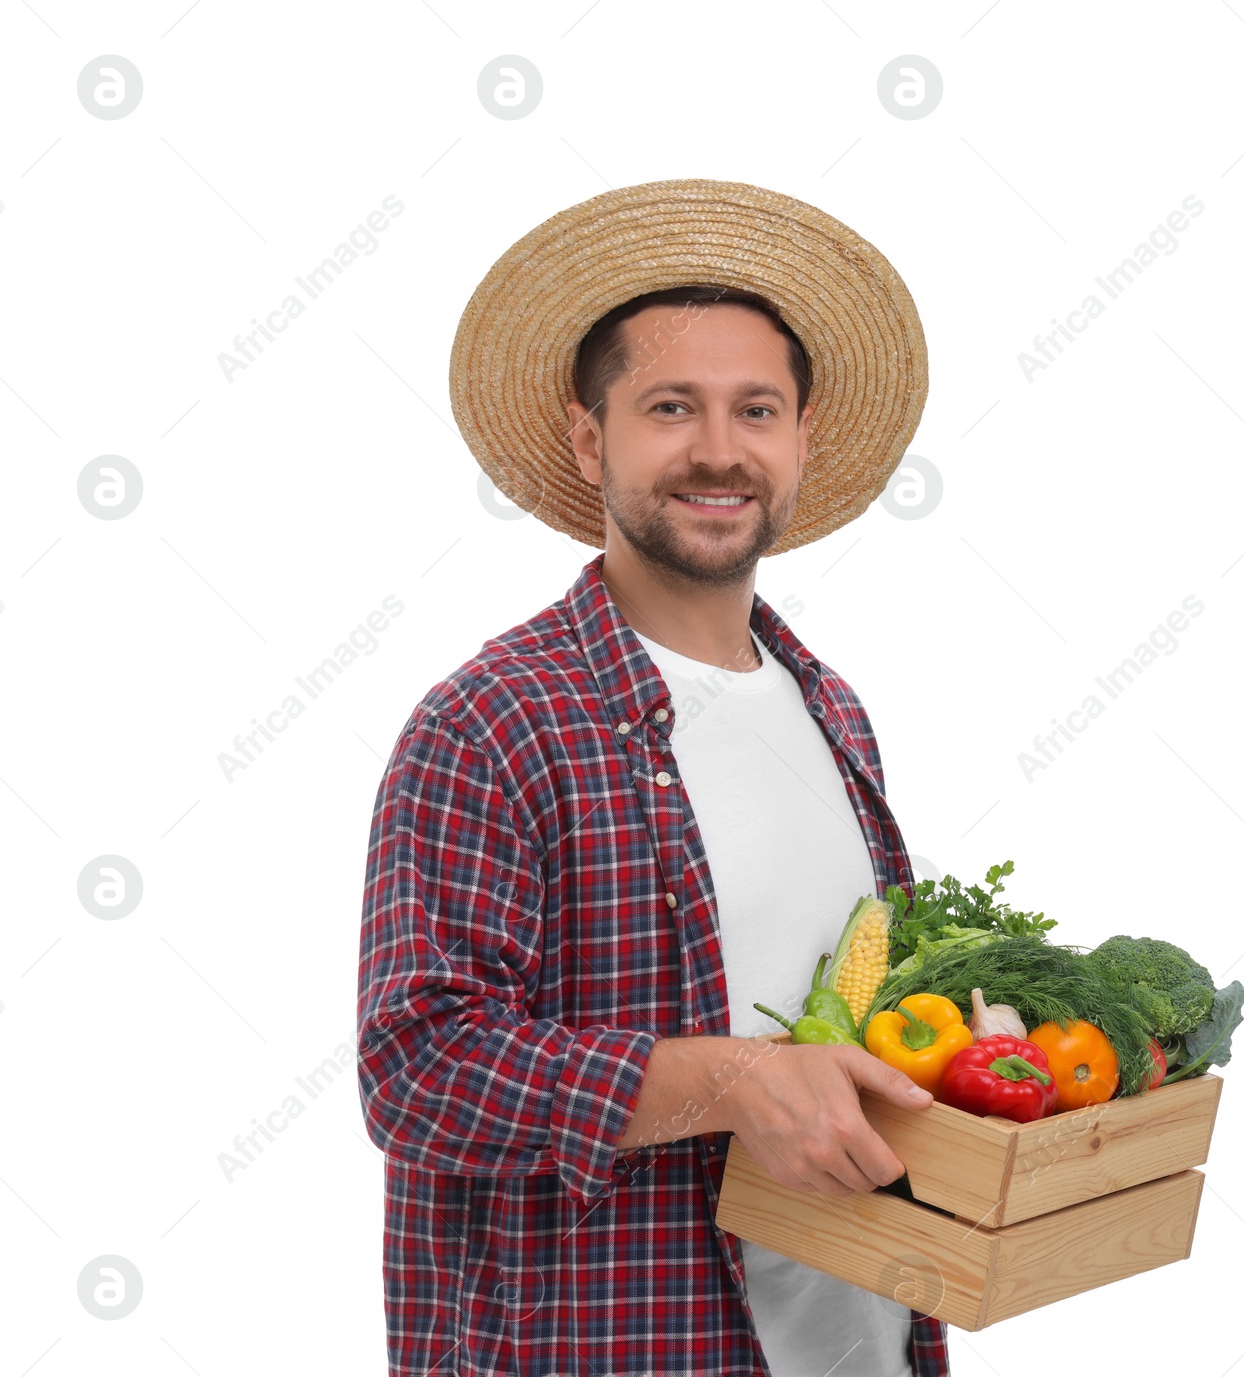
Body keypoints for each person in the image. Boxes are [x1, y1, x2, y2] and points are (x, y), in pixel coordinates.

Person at [357, 179, 948, 1377]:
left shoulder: (831, 711)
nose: (719, 452)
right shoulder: (494, 724)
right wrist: (730, 1083)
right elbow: (417, 1074)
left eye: (756, 409)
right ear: (591, 439)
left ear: (802, 435)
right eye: (671, 407)